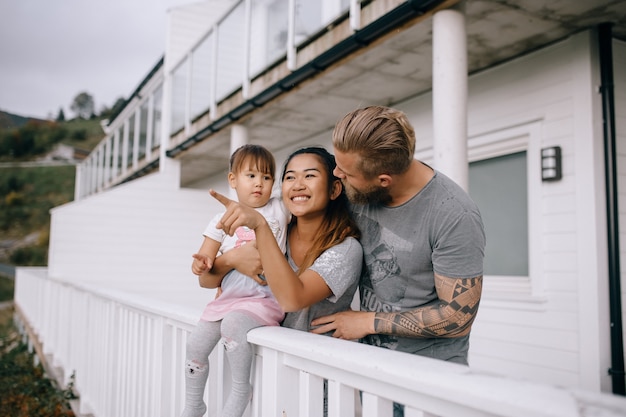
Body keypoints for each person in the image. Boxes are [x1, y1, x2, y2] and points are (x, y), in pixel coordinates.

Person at [311, 106, 485, 416]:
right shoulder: (357, 191)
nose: (337, 175)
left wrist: (367, 321)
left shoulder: (454, 215)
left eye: (346, 172)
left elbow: (458, 317)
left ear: (384, 180)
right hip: (375, 374)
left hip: (429, 386)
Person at [181, 144, 290, 417]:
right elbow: (205, 260)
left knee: (233, 325)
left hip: (263, 299)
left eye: (266, 178)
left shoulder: (278, 209)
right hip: (228, 299)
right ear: (233, 180)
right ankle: (194, 403)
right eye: (251, 176)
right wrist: (201, 262)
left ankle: (241, 388)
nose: (259, 184)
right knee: (195, 344)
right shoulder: (221, 218)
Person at [207, 146, 363, 333]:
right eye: (290, 177)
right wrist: (231, 261)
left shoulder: (346, 249)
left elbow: (292, 300)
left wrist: (260, 225)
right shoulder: (281, 234)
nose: (297, 185)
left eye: (310, 176)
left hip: (314, 357)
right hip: (269, 353)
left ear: (334, 189)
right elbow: (205, 279)